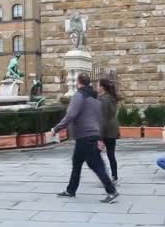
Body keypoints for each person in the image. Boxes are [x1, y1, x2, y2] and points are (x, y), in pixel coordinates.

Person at [51, 73, 119, 204]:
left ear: (78, 82)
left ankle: (111, 191)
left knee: (95, 164)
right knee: (76, 162)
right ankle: (71, 190)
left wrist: (56, 128)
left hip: (85, 135)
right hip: (91, 135)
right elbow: (100, 119)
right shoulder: (95, 98)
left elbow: (71, 114)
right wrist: (99, 137)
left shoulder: (79, 95)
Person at [98, 78, 120, 184]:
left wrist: (100, 137)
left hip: (106, 130)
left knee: (95, 155)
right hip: (113, 129)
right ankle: (114, 176)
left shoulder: (104, 99)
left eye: (98, 85)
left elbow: (103, 118)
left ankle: (105, 176)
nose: (96, 87)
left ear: (102, 87)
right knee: (111, 154)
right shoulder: (111, 98)